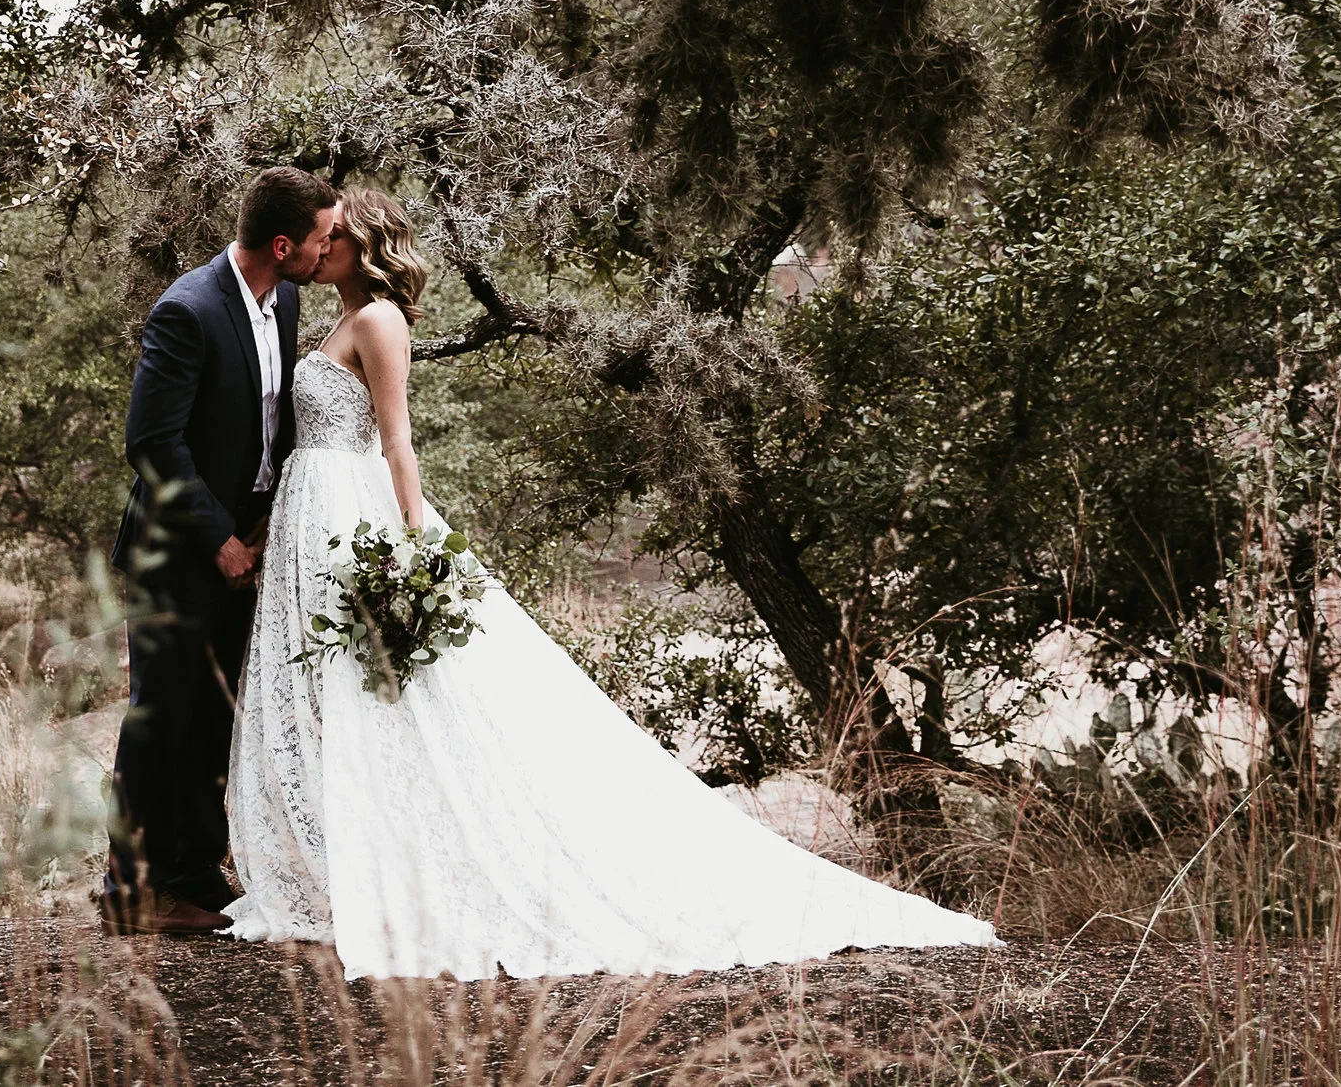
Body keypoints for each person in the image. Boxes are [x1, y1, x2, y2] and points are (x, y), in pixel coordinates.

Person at [223, 187, 1002, 979]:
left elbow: (398, 444)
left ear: (365, 246)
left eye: (333, 239)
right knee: (346, 699)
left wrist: (418, 552)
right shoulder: (328, 319)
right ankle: (360, 872)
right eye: (317, 239)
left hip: (360, 513)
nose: (319, 250)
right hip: (312, 520)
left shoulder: (381, 320)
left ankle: (406, 878)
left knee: (391, 699)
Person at [99, 165, 342, 934]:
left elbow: (267, 426)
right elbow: (153, 441)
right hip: (178, 552)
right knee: (159, 716)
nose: (328, 249)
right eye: (322, 238)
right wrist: (219, 539)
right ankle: (127, 889)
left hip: (250, 548)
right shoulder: (188, 310)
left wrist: (275, 522)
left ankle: (194, 872)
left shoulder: (290, 296)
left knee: (217, 714)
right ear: (283, 244)